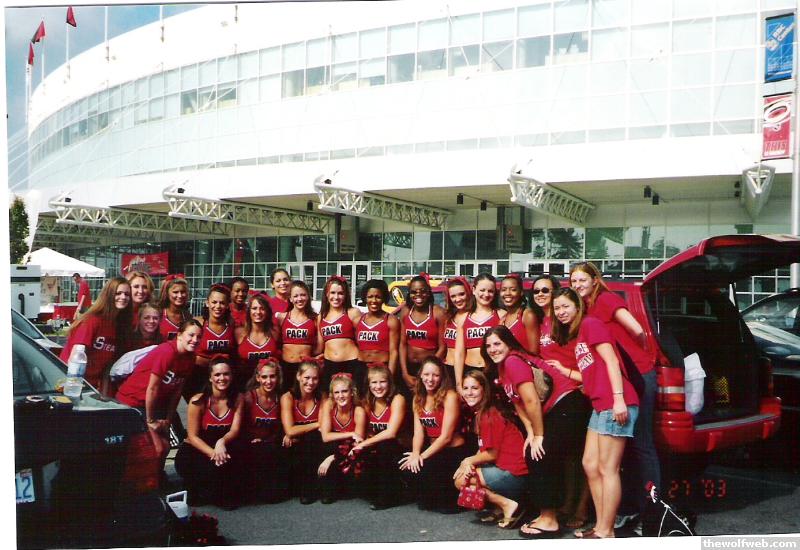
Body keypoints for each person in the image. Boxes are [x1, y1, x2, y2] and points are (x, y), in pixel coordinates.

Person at [570, 261, 659, 529]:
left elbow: (638, 330)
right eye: (573, 281)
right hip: (619, 379)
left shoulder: (606, 299)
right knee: (624, 449)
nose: (577, 285)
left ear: (595, 280)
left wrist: (633, 356)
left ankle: (652, 513)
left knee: (642, 444)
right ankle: (629, 509)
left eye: (582, 280)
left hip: (638, 374)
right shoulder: (586, 310)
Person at [551, 287, 639, 539]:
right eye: (556, 308)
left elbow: (611, 361)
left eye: (565, 306)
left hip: (615, 402)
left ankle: (606, 531)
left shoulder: (591, 324)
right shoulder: (580, 334)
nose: (561, 312)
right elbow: (591, 373)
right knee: (589, 464)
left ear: (577, 306)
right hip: (599, 404)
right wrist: (565, 371)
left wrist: (619, 399)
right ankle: (601, 526)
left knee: (608, 468)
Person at [532, 274, 591, 532]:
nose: (541, 295)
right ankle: (567, 503)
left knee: (582, 457)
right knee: (568, 457)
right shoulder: (545, 322)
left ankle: (582, 507)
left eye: (546, 290)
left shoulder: (578, 325)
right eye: (536, 291)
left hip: (577, 394)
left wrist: (572, 375)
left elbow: (591, 365)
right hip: (554, 399)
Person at [481, 326, 548, 534]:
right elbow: (517, 402)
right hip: (537, 418)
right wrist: (530, 431)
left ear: (508, 343)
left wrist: (538, 434)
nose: (492, 349)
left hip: (557, 407)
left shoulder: (512, 361)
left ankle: (546, 514)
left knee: (542, 455)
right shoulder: (502, 368)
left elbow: (531, 400)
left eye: (497, 343)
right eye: (488, 346)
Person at [116, 319, 202, 469]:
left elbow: (177, 391)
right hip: (134, 401)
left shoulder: (190, 357)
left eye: (199, 337)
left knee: (166, 447)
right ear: (179, 335)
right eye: (191, 335)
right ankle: (143, 479)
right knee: (157, 448)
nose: (195, 340)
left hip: (156, 405)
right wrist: (150, 420)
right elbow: (152, 388)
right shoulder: (167, 351)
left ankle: (157, 477)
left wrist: (168, 419)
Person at [454, 370, 528, 529]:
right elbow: (483, 450)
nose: (469, 393)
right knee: (466, 472)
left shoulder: (489, 416)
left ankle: (507, 504)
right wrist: (468, 465)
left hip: (514, 475)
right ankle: (499, 509)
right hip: (507, 471)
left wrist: (467, 461)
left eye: (474, 388)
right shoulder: (484, 412)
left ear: (484, 390)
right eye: (466, 388)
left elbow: (492, 454)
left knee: (460, 480)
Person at [399, 356, 469, 514]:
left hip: (452, 451)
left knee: (446, 507)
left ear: (442, 377)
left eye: (435, 375)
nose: (430, 379)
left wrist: (421, 457)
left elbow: (446, 437)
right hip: (433, 450)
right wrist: (415, 454)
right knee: (409, 469)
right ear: (420, 375)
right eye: (426, 374)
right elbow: (418, 433)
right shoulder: (418, 398)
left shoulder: (450, 396)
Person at [174, 357, 245, 509]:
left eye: (226, 374)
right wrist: (214, 454)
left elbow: (235, 430)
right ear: (210, 377)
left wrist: (221, 442)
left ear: (231, 376)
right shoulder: (198, 401)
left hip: (222, 446)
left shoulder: (238, 398)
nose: (222, 378)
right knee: (196, 498)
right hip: (199, 448)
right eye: (217, 374)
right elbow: (192, 436)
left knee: (230, 498)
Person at [60, 276, 133, 395]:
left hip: (91, 388)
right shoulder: (92, 320)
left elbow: (107, 367)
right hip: (71, 385)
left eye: (127, 294)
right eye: (118, 293)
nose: (123, 297)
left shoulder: (119, 326)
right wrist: (73, 389)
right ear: (108, 295)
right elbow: (75, 356)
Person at [350, 365, 406, 510]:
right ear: (368, 385)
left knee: (385, 446)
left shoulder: (397, 399)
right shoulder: (368, 402)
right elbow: (366, 432)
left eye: (382, 382)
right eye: (374, 382)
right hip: (379, 446)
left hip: (400, 445)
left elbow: (391, 432)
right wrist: (359, 443)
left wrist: (364, 443)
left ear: (389, 383)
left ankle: (388, 497)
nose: (378, 386)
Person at [242, 359, 289, 503]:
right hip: (250, 443)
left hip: (271, 443)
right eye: (264, 377)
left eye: (272, 376)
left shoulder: (280, 398)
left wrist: (286, 434)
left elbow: (282, 425)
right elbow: (240, 426)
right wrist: (249, 438)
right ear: (258, 378)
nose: (268, 381)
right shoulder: (249, 398)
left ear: (278, 377)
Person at [317, 373, 366, 504]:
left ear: (352, 392)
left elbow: (358, 442)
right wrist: (350, 433)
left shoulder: (358, 411)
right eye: (337, 392)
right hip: (333, 446)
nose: (341, 395)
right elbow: (325, 437)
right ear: (332, 395)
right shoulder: (329, 406)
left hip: (350, 451)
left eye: (344, 391)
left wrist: (331, 458)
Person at [280, 359, 324, 504]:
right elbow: (289, 430)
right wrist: (317, 424)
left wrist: (296, 432)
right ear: (298, 376)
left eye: (315, 378)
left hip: (314, 442)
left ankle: (309, 490)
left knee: (312, 441)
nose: (310, 382)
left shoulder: (322, 397)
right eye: (307, 377)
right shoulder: (288, 397)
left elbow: (324, 427)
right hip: (295, 443)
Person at [454, 273, 505, 389]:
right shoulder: (463, 318)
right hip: (470, 371)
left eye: (490, 291)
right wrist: (458, 383)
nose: (486, 294)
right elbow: (459, 353)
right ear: (473, 290)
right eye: (482, 290)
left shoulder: (501, 315)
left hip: (494, 372)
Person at [186, 284, 236, 400]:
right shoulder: (198, 323)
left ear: (227, 305)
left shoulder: (232, 325)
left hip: (223, 378)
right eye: (214, 302)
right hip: (198, 377)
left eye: (222, 303)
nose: (218, 306)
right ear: (207, 303)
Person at [399, 275, 446, 392]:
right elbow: (402, 344)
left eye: (423, 291)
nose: (418, 295)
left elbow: (442, 347)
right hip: (409, 368)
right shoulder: (405, 311)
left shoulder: (438, 312)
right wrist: (404, 373)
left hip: (430, 370)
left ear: (429, 292)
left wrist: (427, 371)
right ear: (409, 294)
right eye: (414, 292)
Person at [317, 276, 364, 395]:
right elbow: (319, 346)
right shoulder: (321, 317)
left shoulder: (352, 313)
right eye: (333, 293)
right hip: (330, 365)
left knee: (355, 398)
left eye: (340, 293)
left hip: (352, 363)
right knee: (328, 398)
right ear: (327, 294)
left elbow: (362, 341)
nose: (336, 297)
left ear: (346, 295)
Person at [276, 280, 318, 392]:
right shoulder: (282, 317)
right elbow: (276, 343)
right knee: (285, 396)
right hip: (286, 367)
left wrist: (313, 358)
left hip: (306, 368)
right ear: (290, 298)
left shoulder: (315, 318)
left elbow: (319, 345)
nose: (299, 299)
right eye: (295, 296)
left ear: (308, 297)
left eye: (303, 295)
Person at [355, 279, 400, 384]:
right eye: (370, 297)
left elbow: (394, 352)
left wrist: (390, 376)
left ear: (383, 298)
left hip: (382, 368)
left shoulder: (391, 320)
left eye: (378, 297)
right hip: (361, 368)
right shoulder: (358, 320)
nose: (374, 300)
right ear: (365, 298)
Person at [235, 293, 279, 390]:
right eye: (254, 308)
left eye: (262, 308)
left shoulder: (274, 332)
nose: (258, 312)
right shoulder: (239, 333)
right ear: (249, 311)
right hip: (243, 384)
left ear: (267, 311)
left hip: (268, 383)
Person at [500, 274, 539, 354]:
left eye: (513, 290)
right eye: (503, 290)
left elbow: (534, 352)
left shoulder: (527, 315)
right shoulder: (502, 320)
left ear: (521, 292)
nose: (507, 293)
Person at [443, 277, 473, 380]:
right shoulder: (449, 317)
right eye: (453, 296)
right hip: (447, 369)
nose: (458, 299)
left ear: (468, 293)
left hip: (465, 370)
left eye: (461, 294)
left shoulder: (473, 317)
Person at [158, 274, 192, 341]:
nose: (180, 296)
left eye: (183, 292)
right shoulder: (159, 314)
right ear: (167, 293)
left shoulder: (187, 316)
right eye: (175, 292)